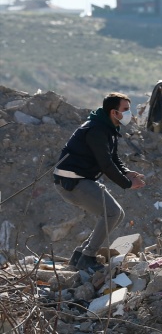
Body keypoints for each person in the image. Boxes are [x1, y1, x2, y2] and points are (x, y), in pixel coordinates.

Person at [54, 92, 146, 271]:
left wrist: (127, 173)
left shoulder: (109, 127)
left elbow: (113, 157)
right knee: (112, 213)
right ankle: (87, 257)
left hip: (81, 179)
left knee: (116, 214)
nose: (130, 113)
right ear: (114, 112)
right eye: (125, 109)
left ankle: (81, 254)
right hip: (71, 181)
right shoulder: (97, 129)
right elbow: (105, 164)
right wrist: (127, 184)